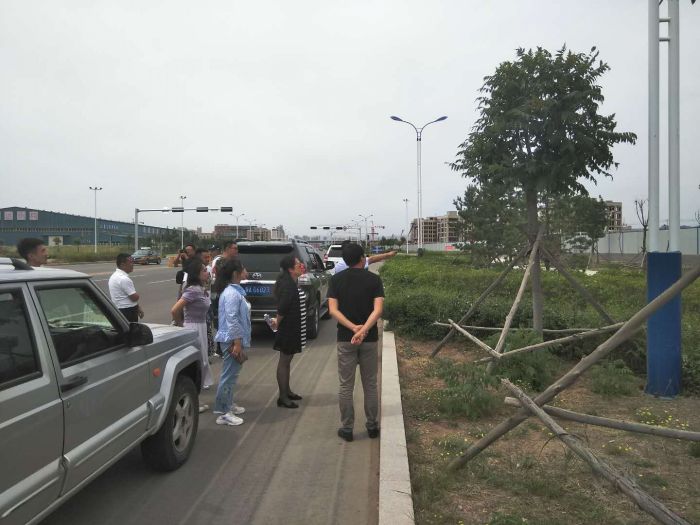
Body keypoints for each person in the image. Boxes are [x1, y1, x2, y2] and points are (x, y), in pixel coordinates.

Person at [328, 242, 385, 442]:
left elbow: (333, 310)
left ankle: (347, 429)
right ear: (362, 258)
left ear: (345, 260)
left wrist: (353, 328)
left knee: (346, 385)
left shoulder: (336, 280)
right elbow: (378, 310)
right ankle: (372, 426)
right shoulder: (374, 280)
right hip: (369, 339)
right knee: (370, 384)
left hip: (346, 338)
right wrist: (364, 329)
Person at [171, 258, 213, 412]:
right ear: (196, 273)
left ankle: (194, 400)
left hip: (201, 326)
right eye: (204, 270)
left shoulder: (200, 288)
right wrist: (181, 325)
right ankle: (193, 402)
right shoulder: (193, 290)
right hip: (193, 327)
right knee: (198, 364)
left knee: (203, 362)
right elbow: (175, 310)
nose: (207, 272)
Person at [212, 258, 251, 426]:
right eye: (243, 269)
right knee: (228, 376)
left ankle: (228, 403)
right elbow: (232, 319)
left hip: (234, 339)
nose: (246, 272)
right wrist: (237, 342)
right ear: (236, 273)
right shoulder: (232, 294)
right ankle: (223, 412)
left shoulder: (235, 292)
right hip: (231, 340)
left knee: (232, 375)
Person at [269, 255, 306, 409]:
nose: (301, 265)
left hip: (293, 327)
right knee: (284, 361)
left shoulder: (291, 282)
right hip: (288, 329)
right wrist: (277, 322)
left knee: (287, 361)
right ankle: (283, 397)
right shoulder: (288, 285)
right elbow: (283, 308)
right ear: (290, 269)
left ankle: (287, 391)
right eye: (297, 264)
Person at [108, 253, 144, 322]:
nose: (132, 264)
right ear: (122, 265)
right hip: (127, 311)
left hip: (119, 309)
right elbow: (134, 298)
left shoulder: (114, 276)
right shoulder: (123, 279)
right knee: (131, 328)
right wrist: (137, 296)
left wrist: (138, 307)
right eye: (130, 262)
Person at [332, 240, 397, 274]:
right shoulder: (373, 279)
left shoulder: (338, 269)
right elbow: (373, 259)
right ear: (361, 258)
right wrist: (389, 254)